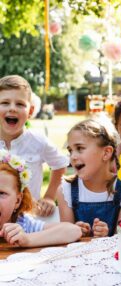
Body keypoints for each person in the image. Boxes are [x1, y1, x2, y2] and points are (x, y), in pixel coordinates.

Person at [0, 75, 69, 218]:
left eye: (20, 104)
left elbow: (60, 164)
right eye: (5, 102)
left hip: (30, 217)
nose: (12, 108)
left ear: (30, 111)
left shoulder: (38, 141)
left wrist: (49, 196)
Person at [56, 119, 121, 237]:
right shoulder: (66, 190)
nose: (72, 156)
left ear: (106, 153)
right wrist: (76, 233)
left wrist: (106, 235)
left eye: (80, 148)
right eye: (70, 150)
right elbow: (65, 240)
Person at [0, 150, 82, 247]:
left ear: (17, 201)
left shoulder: (25, 225)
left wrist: (27, 239)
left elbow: (73, 231)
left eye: (1, 193)